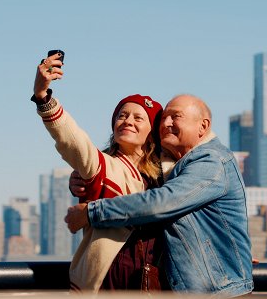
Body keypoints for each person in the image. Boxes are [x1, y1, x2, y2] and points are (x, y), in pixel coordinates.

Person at [65, 94, 254, 297]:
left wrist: (91, 212)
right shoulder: (176, 167)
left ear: (203, 126)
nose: (166, 123)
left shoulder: (212, 161)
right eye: (163, 118)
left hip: (219, 292)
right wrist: (84, 177)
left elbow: (161, 203)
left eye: (175, 117)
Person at [31, 52, 165, 292]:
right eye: (122, 115)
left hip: (153, 283)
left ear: (151, 133)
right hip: (107, 282)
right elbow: (72, 140)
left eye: (138, 118)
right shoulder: (102, 166)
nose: (127, 121)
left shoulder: (167, 177)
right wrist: (43, 96)